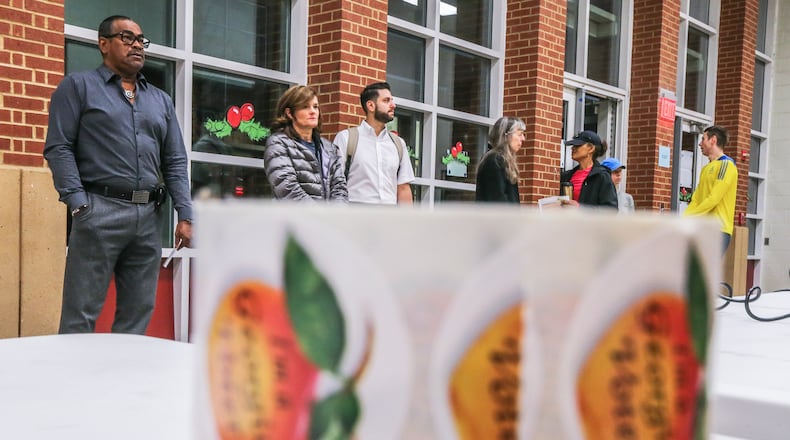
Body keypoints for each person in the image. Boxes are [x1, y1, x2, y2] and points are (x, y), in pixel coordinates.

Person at [43, 15, 193, 334]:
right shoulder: (78, 87)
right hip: (98, 211)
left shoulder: (160, 100)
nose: (137, 44)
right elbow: (59, 147)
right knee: (81, 313)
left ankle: (122, 381)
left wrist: (185, 214)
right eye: (127, 37)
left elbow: (176, 160)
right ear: (103, 44)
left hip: (149, 217)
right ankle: (71, 383)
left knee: (138, 313)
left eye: (141, 40)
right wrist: (79, 204)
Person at [333, 82, 415, 205]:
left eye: (392, 100)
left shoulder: (398, 144)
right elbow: (334, 184)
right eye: (386, 101)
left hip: (388, 217)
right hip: (354, 214)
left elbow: (403, 188)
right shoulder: (346, 138)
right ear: (371, 105)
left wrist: (407, 223)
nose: (393, 105)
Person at [264, 85, 347, 201]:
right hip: (292, 218)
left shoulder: (330, 149)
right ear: (289, 113)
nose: (313, 112)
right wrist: (319, 215)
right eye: (305, 107)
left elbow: (340, 189)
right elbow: (287, 188)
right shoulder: (278, 143)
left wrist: (333, 216)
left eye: (315, 107)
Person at [683, 125, 738, 253]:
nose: (700, 144)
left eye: (703, 139)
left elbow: (714, 198)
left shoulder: (727, 165)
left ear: (713, 140)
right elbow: (696, 199)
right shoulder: (706, 169)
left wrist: (690, 217)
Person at [560, 130, 618, 209]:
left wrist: (580, 208)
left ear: (591, 148)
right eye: (573, 145)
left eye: (578, 145)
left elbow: (611, 210)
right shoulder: (566, 176)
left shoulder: (602, 176)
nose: (573, 148)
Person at [475, 116, 526, 203]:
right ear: (506, 135)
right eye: (519, 134)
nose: (523, 139)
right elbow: (498, 201)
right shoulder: (495, 160)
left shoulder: (498, 159)